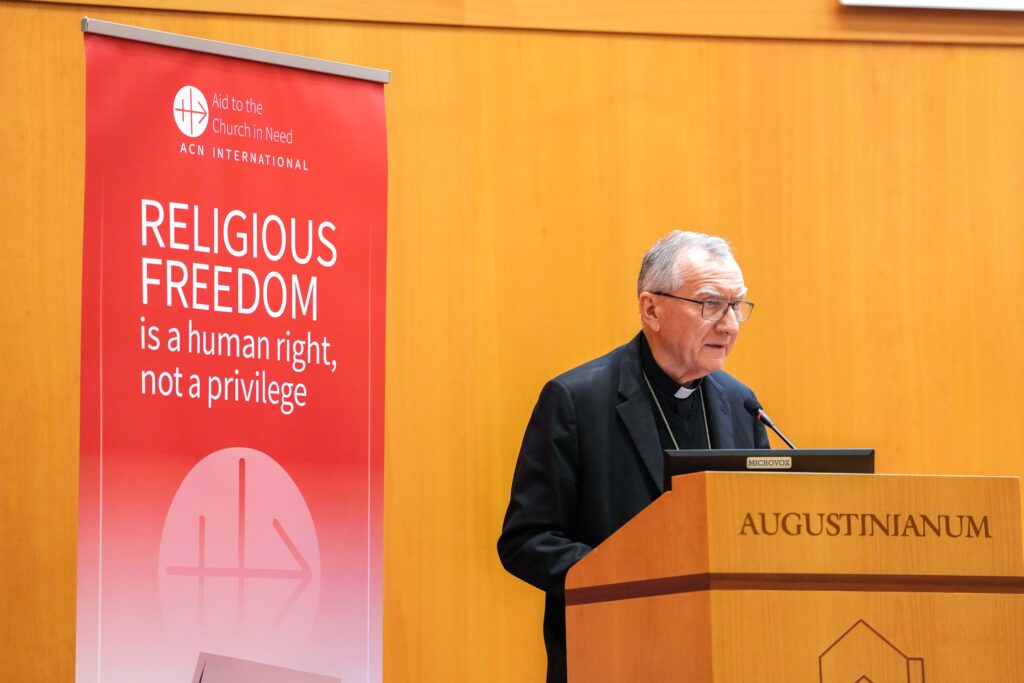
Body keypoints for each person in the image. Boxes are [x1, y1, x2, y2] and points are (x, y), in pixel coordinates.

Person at [497, 230, 770, 682]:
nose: (729, 325)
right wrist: (634, 578)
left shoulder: (742, 404)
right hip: (612, 653)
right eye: (710, 304)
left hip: (722, 656)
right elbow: (526, 541)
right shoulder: (576, 401)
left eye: (736, 305)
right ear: (651, 309)